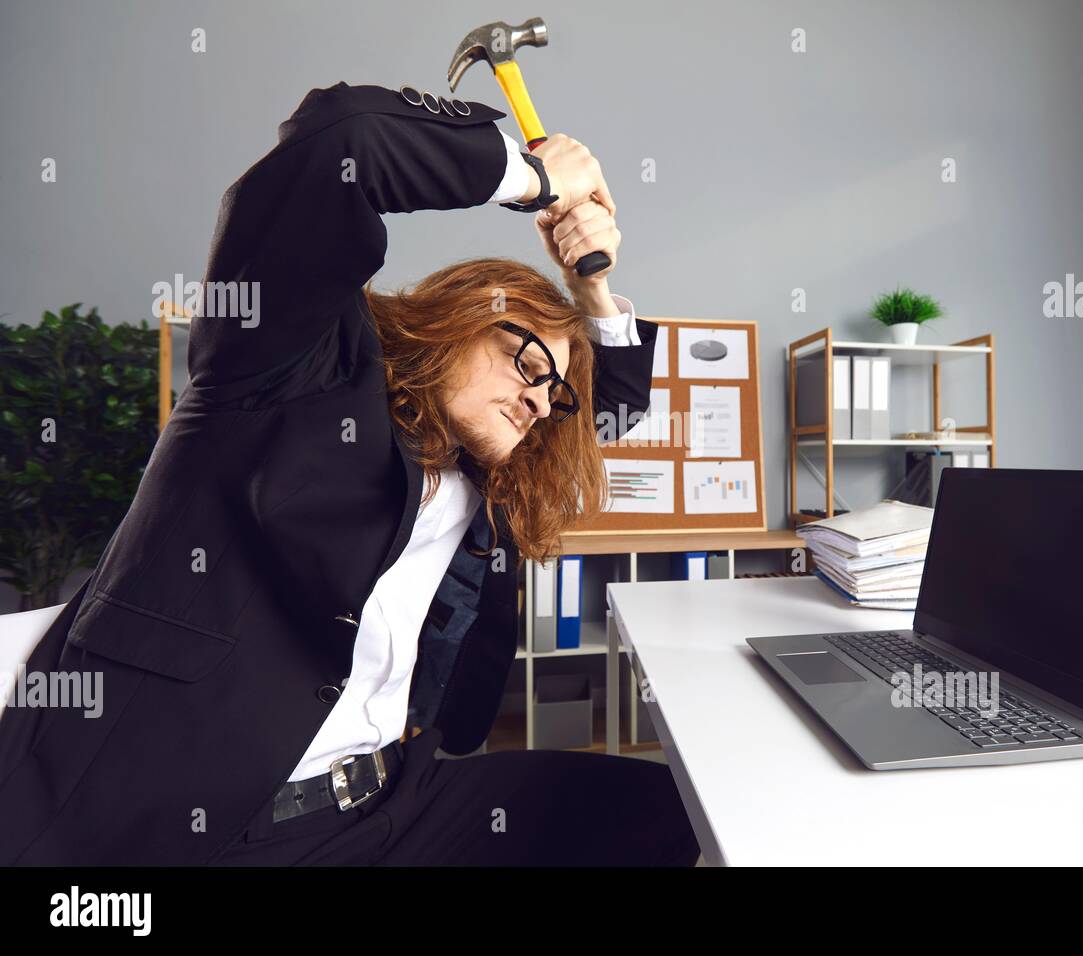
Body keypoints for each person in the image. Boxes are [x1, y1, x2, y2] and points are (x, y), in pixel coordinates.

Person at [0, 81, 700, 867]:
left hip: (384, 804)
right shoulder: (287, 372)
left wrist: (589, 286)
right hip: (195, 820)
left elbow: (609, 410)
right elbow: (342, 139)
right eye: (525, 360)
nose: (539, 399)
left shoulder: (486, 474)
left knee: (666, 814)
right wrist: (536, 180)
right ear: (455, 319)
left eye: (552, 389)